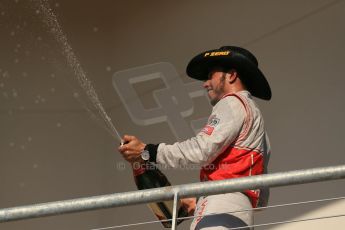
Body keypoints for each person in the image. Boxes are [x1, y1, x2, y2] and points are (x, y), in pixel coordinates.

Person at [118, 46, 272, 230]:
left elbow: (200, 150)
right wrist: (200, 200)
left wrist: (147, 151)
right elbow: (262, 196)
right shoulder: (257, 122)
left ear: (231, 75)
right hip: (241, 215)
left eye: (211, 75)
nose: (205, 83)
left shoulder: (232, 102)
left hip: (219, 209)